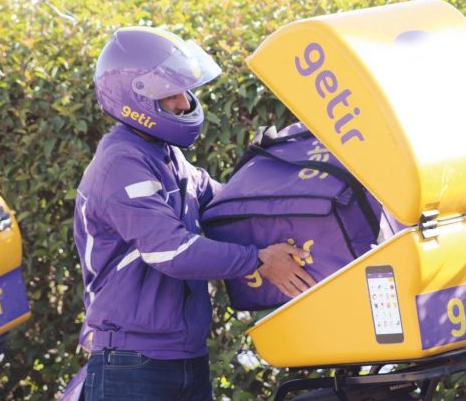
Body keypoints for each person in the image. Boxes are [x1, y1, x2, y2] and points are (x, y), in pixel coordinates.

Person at [73, 27, 316, 400]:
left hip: (185, 356)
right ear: (133, 98)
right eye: (170, 95)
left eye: (184, 91)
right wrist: (259, 261)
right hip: (133, 363)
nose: (185, 103)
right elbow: (170, 250)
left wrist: (301, 194)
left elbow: (226, 203)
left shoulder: (166, 156)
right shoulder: (121, 164)